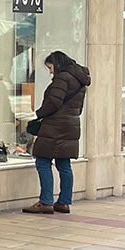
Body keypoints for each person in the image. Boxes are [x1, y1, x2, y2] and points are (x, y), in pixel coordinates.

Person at [24, 50, 90, 215]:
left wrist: (36, 115)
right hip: (71, 125)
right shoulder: (80, 79)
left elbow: (54, 102)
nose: (50, 71)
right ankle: (64, 202)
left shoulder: (62, 78)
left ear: (57, 64)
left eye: (50, 67)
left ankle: (46, 202)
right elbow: (78, 107)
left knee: (43, 161)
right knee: (64, 164)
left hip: (55, 126)